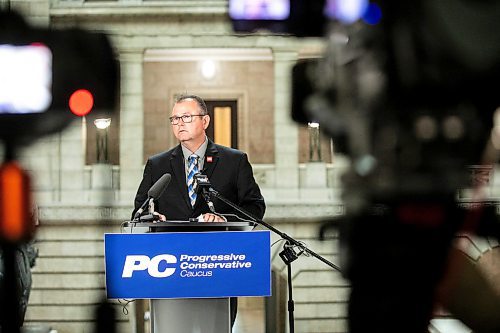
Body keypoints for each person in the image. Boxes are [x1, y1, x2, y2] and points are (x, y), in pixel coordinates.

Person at [132, 94, 266, 326]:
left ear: (205, 121)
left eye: (186, 117)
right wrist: (151, 218)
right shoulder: (158, 165)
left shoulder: (234, 161)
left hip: (217, 270)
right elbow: (139, 211)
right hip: (170, 270)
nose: (179, 123)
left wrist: (223, 218)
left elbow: (255, 207)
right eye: (174, 119)